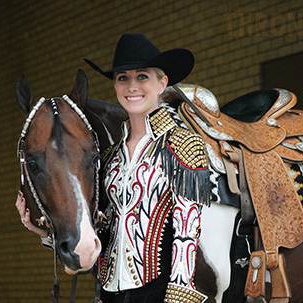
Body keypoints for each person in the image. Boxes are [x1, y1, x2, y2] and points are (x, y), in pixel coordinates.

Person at [16, 33, 210, 303]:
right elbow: (106, 236)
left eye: (142, 76)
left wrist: (179, 296)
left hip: (159, 292)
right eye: (123, 78)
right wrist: (45, 233)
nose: (132, 86)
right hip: (110, 294)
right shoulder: (110, 158)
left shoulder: (182, 145)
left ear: (162, 83)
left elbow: (187, 233)